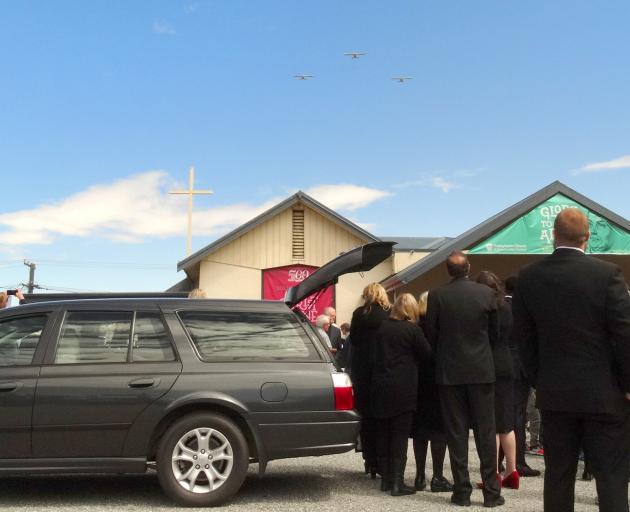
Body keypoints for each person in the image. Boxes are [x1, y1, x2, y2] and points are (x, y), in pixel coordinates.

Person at [512, 207, 630, 512]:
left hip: (555, 395)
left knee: (558, 476)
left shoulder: (528, 278)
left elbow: (524, 341)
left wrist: (541, 379)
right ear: (587, 238)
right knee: (611, 477)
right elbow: (623, 336)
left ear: (553, 236)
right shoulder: (608, 275)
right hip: (606, 396)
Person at [426, 251, 504, 508]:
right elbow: (495, 334)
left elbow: (432, 334)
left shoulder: (438, 296)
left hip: (450, 372)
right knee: (485, 433)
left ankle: (462, 491)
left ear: (448, 270)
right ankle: (492, 492)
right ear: (468, 268)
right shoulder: (487, 294)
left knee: (456, 433)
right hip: (481, 370)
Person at [372, 293, 432, 496]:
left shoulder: (382, 328)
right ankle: (398, 482)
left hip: (380, 384)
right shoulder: (412, 330)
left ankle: (386, 480)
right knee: (399, 434)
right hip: (403, 387)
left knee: (383, 432)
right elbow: (427, 355)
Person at [476, 271, 519, 490]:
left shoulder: (486, 310)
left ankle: (492, 473)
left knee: (490, 424)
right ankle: (512, 471)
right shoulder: (507, 308)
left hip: (488, 364)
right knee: (506, 423)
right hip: (507, 362)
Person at [412, 290, 453, 493]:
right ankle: (437, 476)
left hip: (418, 383)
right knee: (439, 432)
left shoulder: (415, 325)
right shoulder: (442, 326)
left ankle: (420, 476)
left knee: (420, 432)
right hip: (438, 381)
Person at [350, 283, 391, 478]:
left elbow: (354, 341)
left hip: (363, 371)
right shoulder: (389, 313)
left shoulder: (359, 314)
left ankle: (370, 460)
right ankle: (384, 460)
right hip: (384, 369)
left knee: (366, 417)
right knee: (383, 416)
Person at [504, 276, 540, 478]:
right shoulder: (524, 309)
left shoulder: (498, 306)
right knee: (518, 415)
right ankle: (517, 461)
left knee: (502, 415)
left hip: (500, 365)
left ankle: (501, 460)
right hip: (520, 367)